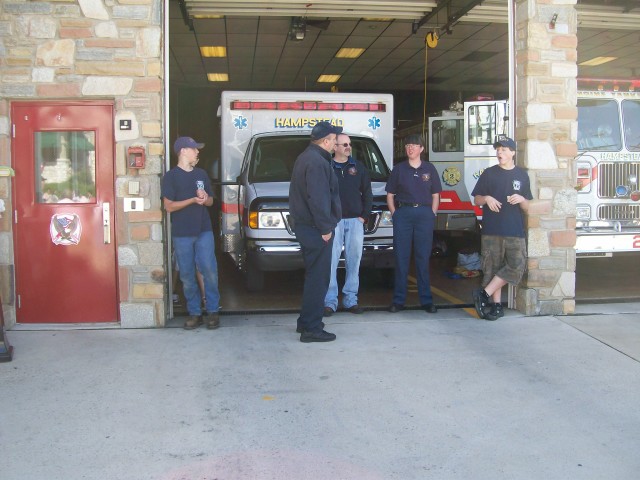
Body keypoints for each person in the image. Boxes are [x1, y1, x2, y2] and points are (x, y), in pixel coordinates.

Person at [289, 121, 342, 342]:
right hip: (315, 229)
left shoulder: (306, 157)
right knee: (318, 279)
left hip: (307, 227)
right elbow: (318, 199)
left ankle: (305, 322)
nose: (336, 144)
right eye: (334, 140)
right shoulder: (317, 162)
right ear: (326, 140)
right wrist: (325, 228)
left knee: (314, 277)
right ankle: (311, 328)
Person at [161, 136, 221, 330]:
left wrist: (205, 199)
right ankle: (194, 313)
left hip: (204, 230)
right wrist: (192, 200)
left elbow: (212, 201)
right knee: (187, 275)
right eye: (194, 149)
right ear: (183, 151)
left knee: (209, 271)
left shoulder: (202, 174)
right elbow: (169, 206)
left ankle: (212, 312)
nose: (197, 152)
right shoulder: (170, 177)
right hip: (182, 233)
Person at [471, 137, 532, 321]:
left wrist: (522, 200)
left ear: (513, 152)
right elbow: (477, 200)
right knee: (492, 268)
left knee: (517, 265)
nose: (500, 153)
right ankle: (496, 306)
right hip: (492, 229)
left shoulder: (522, 175)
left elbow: (527, 206)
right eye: (498, 149)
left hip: (514, 229)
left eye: (504, 150)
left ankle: (484, 293)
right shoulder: (489, 174)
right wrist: (487, 198)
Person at [385, 133, 441, 314]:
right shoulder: (399, 169)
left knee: (422, 258)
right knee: (401, 258)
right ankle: (398, 301)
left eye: (414, 146)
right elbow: (390, 194)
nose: (410, 148)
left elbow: (436, 194)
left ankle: (426, 300)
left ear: (421, 149)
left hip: (424, 214)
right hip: (404, 214)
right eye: (408, 145)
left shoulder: (429, 169)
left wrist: (432, 213)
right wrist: (395, 214)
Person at [323, 133, 372, 316]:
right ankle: (330, 302)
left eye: (349, 144)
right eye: (344, 144)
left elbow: (367, 193)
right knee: (331, 262)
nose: (348, 147)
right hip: (333, 221)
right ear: (334, 147)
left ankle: (351, 300)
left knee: (354, 261)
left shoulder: (358, 167)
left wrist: (364, 216)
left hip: (355, 221)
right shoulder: (326, 167)